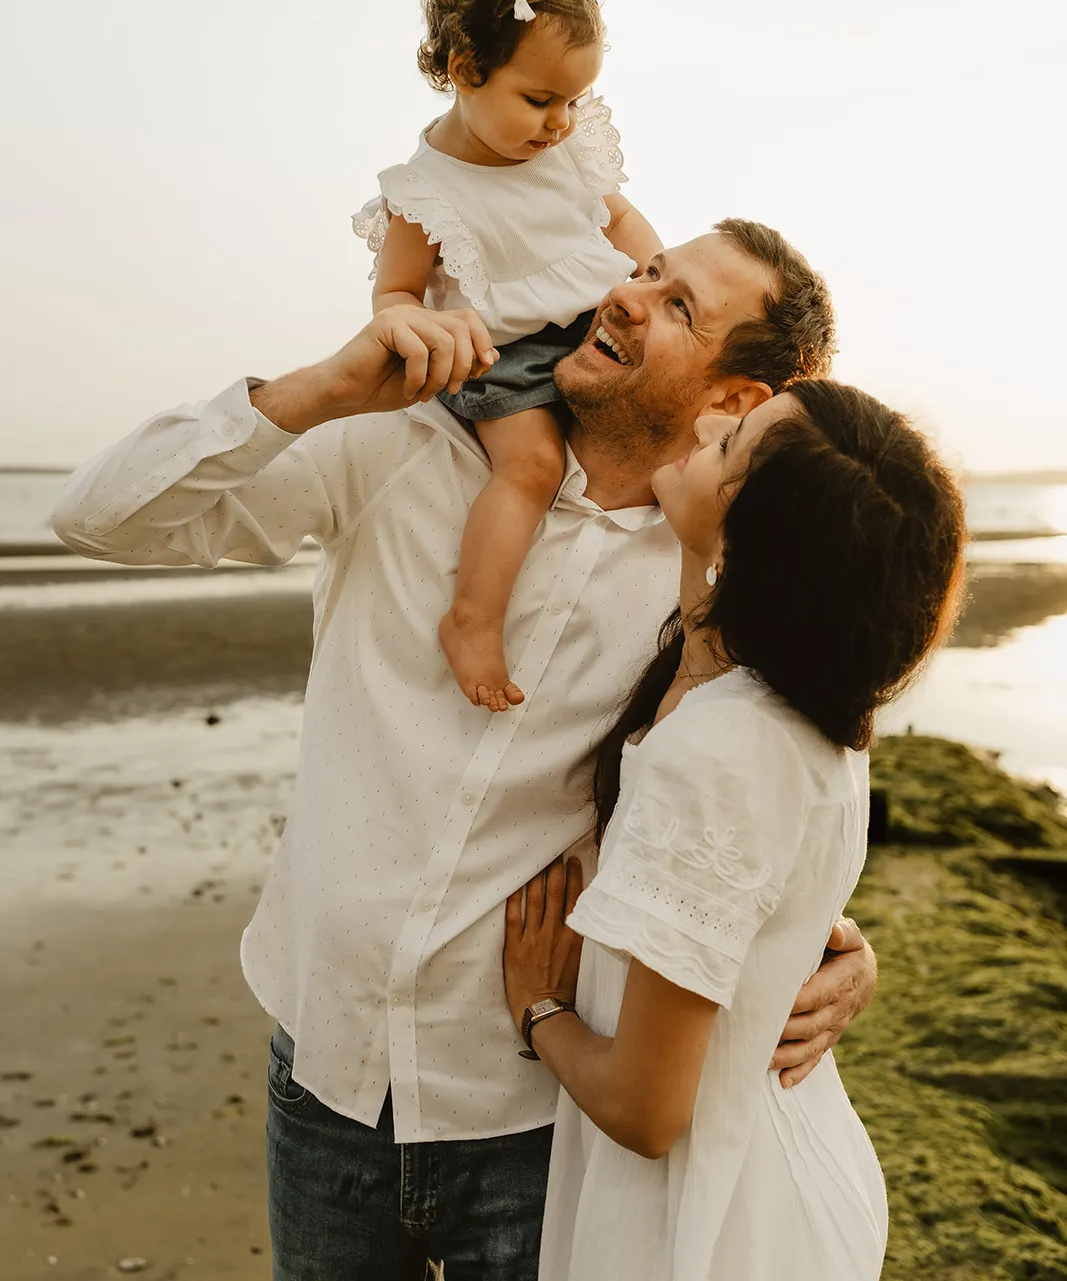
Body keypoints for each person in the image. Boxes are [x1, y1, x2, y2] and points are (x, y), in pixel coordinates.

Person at [53, 222, 875, 1281]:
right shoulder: (405, 442)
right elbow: (95, 520)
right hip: (324, 1076)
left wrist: (831, 942)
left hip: (536, 1120)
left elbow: (768, 798)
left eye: (679, 308)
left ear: (734, 399)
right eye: (644, 271)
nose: (626, 296)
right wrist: (320, 386)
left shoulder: (724, 578)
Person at [503, 381, 965, 1280]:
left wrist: (536, 1004)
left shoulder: (719, 748)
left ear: (759, 550)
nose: (708, 420)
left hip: (711, 1223)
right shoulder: (800, 703)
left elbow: (646, 1111)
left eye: (731, 444)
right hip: (772, 1166)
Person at [354, 0, 659, 712]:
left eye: (572, 100)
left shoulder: (562, 146)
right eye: (538, 100)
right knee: (533, 470)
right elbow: (394, 295)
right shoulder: (423, 192)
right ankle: (473, 619)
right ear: (465, 71)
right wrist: (412, 327)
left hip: (596, 321)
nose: (558, 123)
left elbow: (619, 220)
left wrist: (657, 282)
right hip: (506, 351)